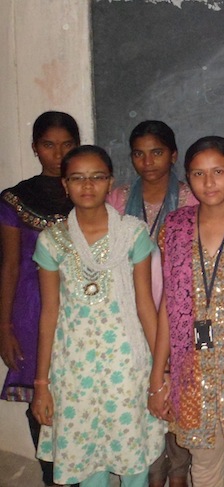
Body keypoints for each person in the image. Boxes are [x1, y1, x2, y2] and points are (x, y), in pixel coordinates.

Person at [31, 145, 164, 486]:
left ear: (110, 182)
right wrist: (41, 384)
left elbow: (145, 305)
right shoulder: (52, 241)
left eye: (97, 177)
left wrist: (161, 371)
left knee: (132, 458)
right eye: (77, 178)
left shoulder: (132, 234)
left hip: (126, 365)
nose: (87, 186)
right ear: (65, 184)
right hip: (74, 368)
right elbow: (49, 313)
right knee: (87, 460)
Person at [148, 136, 224, 487]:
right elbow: (168, 304)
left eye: (218, 172)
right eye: (198, 174)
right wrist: (158, 375)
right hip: (192, 372)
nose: (209, 182)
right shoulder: (175, 227)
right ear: (188, 178)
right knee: (203, 466)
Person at [107, 120, 194, 487]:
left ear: (173, 155)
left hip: (181, 314)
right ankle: (151, 474)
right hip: (129, 315)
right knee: (142, 399)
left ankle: (179, 473)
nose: (148, 162)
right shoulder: (117, 199)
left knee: (178, 397)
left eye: (157, 152)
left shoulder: (191, 198)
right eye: (139, 154)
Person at [0, 111, 79, 486]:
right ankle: (52, 476)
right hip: (31, 310)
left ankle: (80, 474)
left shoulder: (88, 190)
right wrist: (4, 326)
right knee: (40, 396)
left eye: (67, 145)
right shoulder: (15, 199)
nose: (58, 154)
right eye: (49, 145)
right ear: (35, 148)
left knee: (80, 397)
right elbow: (9, 265)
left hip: (82, 310)